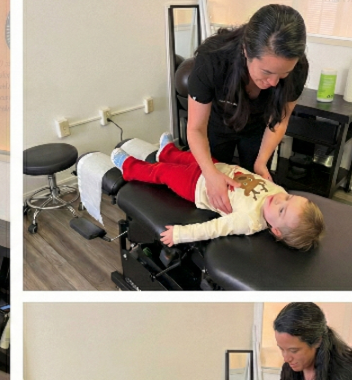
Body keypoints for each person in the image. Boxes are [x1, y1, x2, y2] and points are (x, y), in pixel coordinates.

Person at [187, 4, 309, 214]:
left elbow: (280, 119)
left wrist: (261, 162)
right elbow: (196, 128)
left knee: (256, 186)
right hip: (217, 124)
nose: (273, 82)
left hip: (259, 129)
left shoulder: (298, 69)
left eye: (282, 74)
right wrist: (210, 173)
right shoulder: (212, 59)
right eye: (267, 72)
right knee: (214, 187)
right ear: (246, 50)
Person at [112, 133, 325, 250]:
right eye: (288, 198)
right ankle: (167, 152)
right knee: (191, 157)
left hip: (197, 187)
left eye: (281, 211)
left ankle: (129, 168)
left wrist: (180, 234)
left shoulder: (249, 220)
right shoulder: (278, 193)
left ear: (276, 231)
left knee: (164, 172)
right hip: (216, 169)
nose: (279, 200)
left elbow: (214, 228)